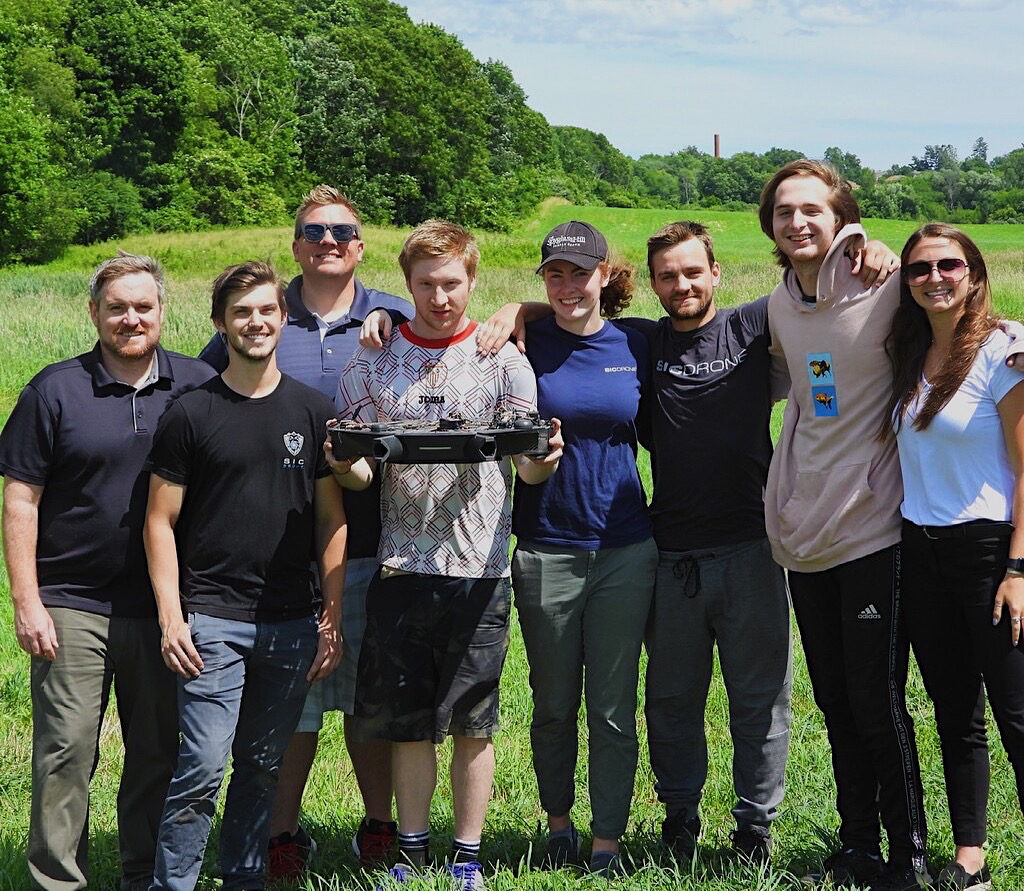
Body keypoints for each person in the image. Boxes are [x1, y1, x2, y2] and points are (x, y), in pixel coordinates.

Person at [444, 220, 897, 870]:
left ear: (712, 272)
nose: (681, 284)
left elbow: (815, 309)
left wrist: (861, 252)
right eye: (668, 275)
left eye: (692, 272)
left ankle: (695, 832)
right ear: (650, 284)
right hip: (610, 547)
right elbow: (558, 318)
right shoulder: (584, 341)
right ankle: (617, 820)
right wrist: (519, 307)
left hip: (694, 543)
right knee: (611, 702)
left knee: (694, 701)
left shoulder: (698, 332)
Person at [334, 219, 562, 891]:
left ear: (472, 279)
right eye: (427, 284)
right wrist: (343, 463)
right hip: (402, 563)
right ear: (406, 285)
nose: (441, 297)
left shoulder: (502, 359)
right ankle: (410, 851)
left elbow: (528, 470)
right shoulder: (373, 357)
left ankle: (467, 854)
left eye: (453, 283)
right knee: (408, 723)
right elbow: (359, 472)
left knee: (472, 721)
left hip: (480, 567)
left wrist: (545, 459)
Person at [199, 185, 414, 878]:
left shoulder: (399, 317)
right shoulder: (263, 317)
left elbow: (466, 332)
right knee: (290, 706)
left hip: (382, 542)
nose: (328, 240)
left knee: (367, 697)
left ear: (360, 244)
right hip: (276, 557)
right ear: (296, 245)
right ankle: (280, 834)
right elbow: (203, 405)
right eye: (314, 230)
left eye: (341, 230)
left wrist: (515, 308)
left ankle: (380, 825)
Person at [0, 253, 213, 891]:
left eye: (143, 306)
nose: (130, 318)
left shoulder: (199, 385)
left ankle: (142, 875)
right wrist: (26, 601)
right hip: (71, 598)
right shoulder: (54, 389)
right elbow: (19, 499)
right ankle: (58, 880)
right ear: (93, 312)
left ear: (162, 312)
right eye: (116, 306)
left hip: (164, 604)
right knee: (65, 751)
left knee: (157, 752)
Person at [145, 261, 348, 891]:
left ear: (283, 319)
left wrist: (332, 612)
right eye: (241, 312)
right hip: (210, 617)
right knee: (202, 767)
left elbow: (331, 521)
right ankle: (171, 883)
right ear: (220, 324)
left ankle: (244, 876)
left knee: (261, 765)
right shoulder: (190, 412)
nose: (255, 322)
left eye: (266, 310)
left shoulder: (314, 411)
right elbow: (159, 521)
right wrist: (172, 614)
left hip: (291, 620)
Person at [759, 159, 929, 891]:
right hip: (804, 533)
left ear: (840, 217)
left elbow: (963, 303)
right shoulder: (775, 307)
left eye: (814, 211)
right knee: (832, 696)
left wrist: (875, 240)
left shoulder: (886, 282)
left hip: (873, 527)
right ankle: (857, 843)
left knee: (877, 696)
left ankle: (910, 853)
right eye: (784, 211)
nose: (798, 221)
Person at [507, 222, 655, 876]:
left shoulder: (638, 341)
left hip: (625, 545)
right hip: (545, 545)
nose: (568, 286)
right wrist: (515, 310)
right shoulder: (521, 341)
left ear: (605, 275)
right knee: (553, 701)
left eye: (580, 272)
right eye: (554, 274)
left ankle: (608, 839)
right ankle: (559, 820)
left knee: (614, 705)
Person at [885, 224, 1024, 891]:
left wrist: (1020, 570)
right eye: (919, 268)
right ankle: (970, 856)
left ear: (972, 273)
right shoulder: (908, 353)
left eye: (948, 265)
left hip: (990, 550)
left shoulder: (1004, 349)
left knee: (1017, 710)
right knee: (954, 709)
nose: (934, 277)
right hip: (920, 549)